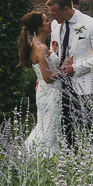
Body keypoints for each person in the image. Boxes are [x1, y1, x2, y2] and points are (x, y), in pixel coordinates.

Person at [47, 0, 93, 147]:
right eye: (51, 15)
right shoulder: (55, 25)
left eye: (55, 14)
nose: (52, 18)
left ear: (66, 9)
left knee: (86, 125)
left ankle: (89, 158)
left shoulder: (91, 24)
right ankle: (70, 156)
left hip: (83, 83)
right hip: (60, 84)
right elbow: (53, 53)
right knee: (65, 123)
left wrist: (76, 68)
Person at [18, 11, 62, 157]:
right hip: (50, 92)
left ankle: (36, 156)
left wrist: (53, 52)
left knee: (46, 125)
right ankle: (46, 157)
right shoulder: (41, 48)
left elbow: (45, 66)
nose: (49, 22)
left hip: (43, 92)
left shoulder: (36, 45)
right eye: (46, 20)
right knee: (50, 127)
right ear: (39, 27)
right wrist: (65, 68)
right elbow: (48, 77)